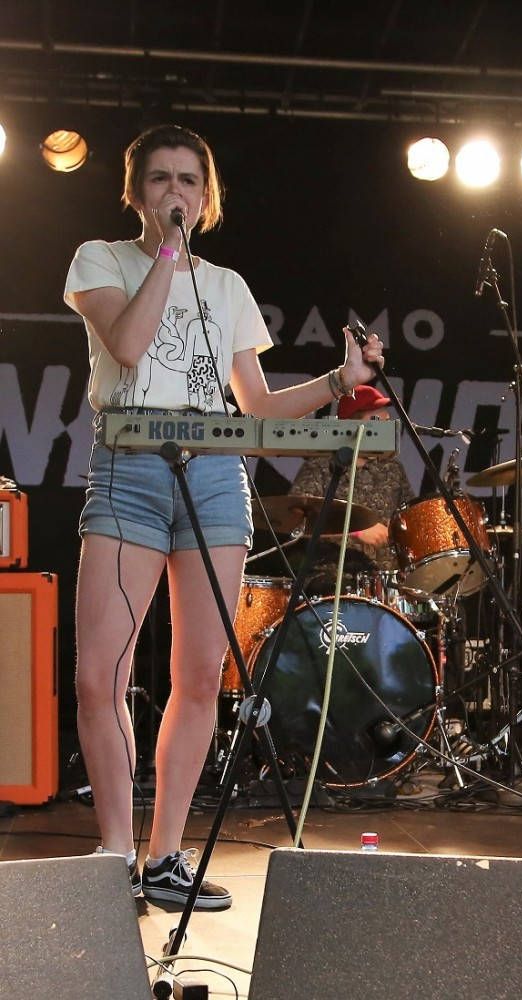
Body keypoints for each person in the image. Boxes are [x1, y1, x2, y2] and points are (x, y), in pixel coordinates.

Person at [63, 123, 384, 910]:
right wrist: (170, 256)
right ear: (135, 191)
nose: (176, 191)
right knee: (98, 676)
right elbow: (129, 347)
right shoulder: (101, 259)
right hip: (129, 469)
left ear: (207, 196)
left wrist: (338, 380)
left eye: (189, 180)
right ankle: (113, 855)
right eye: (161, 178)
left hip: (214, 477)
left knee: (201, 676)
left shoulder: (229, 287)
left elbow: (259, 414)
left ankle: (165, 857)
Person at [288, 384, 415, 593]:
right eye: (376, 419)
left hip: (383, 585)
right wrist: (354, 531)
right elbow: (297, 520)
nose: (386, 421)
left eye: (386, 419)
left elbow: (408, 520)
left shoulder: (392, 469)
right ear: (353, 424)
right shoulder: (321, 466)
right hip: (330, 582)